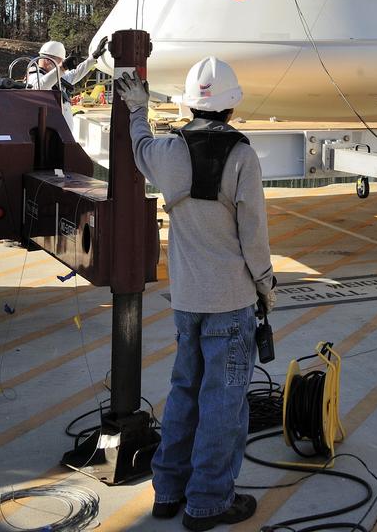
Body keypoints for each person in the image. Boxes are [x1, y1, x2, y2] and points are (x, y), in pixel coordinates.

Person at [117, 56, 275, 530]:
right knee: (224, 403)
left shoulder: (168, 151)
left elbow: (140, 146)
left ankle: (168, 492)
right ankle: (207, 502)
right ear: (231, 105)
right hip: (231, 301)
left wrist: (137, 109)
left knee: (185, 391)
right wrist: (266, 286)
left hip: (187, 300)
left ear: (190, 103)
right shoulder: (243, 156)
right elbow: (254, 236)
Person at [26, 37, 107, 127]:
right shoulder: (34, 76)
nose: (61, 65)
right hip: (49, 133)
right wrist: (62, 67)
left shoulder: (57, 77)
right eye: (59, 62)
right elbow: (39, 88)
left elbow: (75, 74)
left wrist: (93, 57)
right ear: (48, 61)